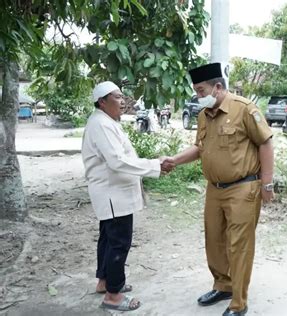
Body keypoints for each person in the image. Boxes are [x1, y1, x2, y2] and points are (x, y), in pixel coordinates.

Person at [162, 63, 274, 316]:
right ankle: (222, 285)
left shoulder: (245, 109)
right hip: (215, 189)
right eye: (197, 91)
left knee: (239, 245)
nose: (199, 96)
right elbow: (200, 149)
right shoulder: (204, 115)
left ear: (218, 87)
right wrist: (174, 160)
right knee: (213, 241)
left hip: (243, 188)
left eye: (201, 91)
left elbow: (266, 144)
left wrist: (267, 183)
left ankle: (238, 302)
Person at [81, 81, 173, 311]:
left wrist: (152, 164)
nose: (123, 102)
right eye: (117, 97)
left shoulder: (105, 121)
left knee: (108, 239)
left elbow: (121, 156)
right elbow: (117, 161)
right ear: (102, 102)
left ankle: (105, 282)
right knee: (119, 244)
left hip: (113, 193)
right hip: (113, 195)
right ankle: (113, 296)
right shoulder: (101, 124)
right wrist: (155, 165)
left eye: (123, 97)